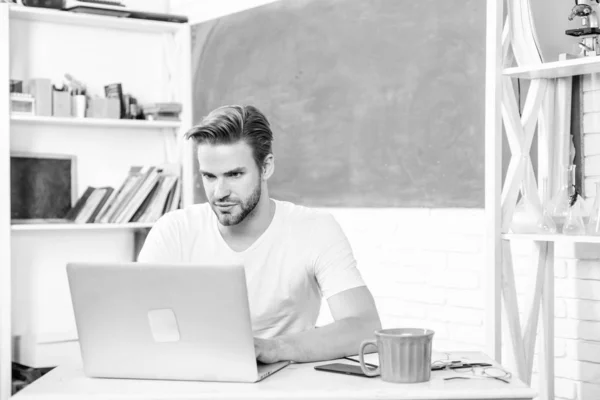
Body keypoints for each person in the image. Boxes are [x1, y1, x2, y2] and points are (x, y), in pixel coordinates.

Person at [138, 105, 381, 364]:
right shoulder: (174, 229)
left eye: (234, 175)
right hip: (193, 377)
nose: (219, 192)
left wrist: (272, 349)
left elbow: (365, 327)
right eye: (209, 176)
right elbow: (135, 318)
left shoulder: (314, 228)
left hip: (284, 382)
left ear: (266, 167)